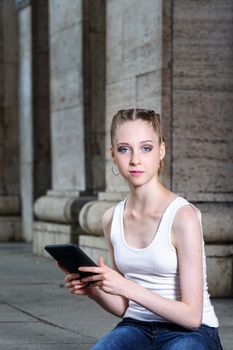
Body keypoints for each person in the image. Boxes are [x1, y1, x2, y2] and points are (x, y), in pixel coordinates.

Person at [63, 109, 223, 349]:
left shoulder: (183, 216)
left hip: (192, 333)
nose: (135, 159)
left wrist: (126, 286)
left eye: (146, 148)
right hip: (136, 327)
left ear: (161, 151)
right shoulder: (111, 218)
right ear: (113, 155)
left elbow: (192, 317)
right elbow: (124, 306)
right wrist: (94, 290)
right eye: (124, 149)